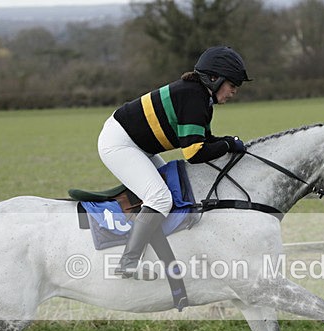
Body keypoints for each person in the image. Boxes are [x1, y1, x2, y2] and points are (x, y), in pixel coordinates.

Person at [98, 45, 252, 279]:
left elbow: (205, 140)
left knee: (175, 191)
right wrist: (230, 145)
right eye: (232, 85)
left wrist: (228, 141)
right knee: (160, 198)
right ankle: (128, 263)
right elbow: (194, 153)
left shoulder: (200, 97)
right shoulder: (194, 98)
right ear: (214, 79)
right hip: (120, 144)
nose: (234, 92)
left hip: (138, 145)